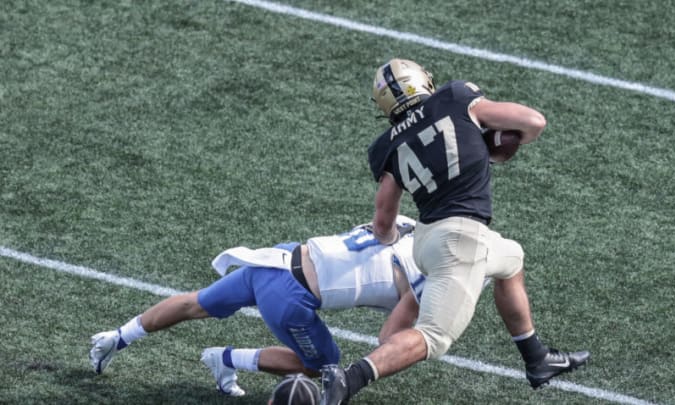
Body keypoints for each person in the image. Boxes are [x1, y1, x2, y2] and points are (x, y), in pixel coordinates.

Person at [320, 59, 590, 404]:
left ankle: (536, 357)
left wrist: (389, 240)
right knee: (434, 336)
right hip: (461, 240)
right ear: (423, 82)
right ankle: (347, 380)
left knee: (511, 258)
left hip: (427, 237)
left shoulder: (385, 146)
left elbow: (383, 221)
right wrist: (485, 142)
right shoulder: (454, 96)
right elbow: (534, 122)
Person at [89, 216, 424, 397]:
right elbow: (388, 338)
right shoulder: (428, 274)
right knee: (327, 369)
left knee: (196, 303)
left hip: (277, 258)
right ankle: (226, 359)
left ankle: (116, 338)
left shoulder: (409, 225)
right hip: (291, 296)